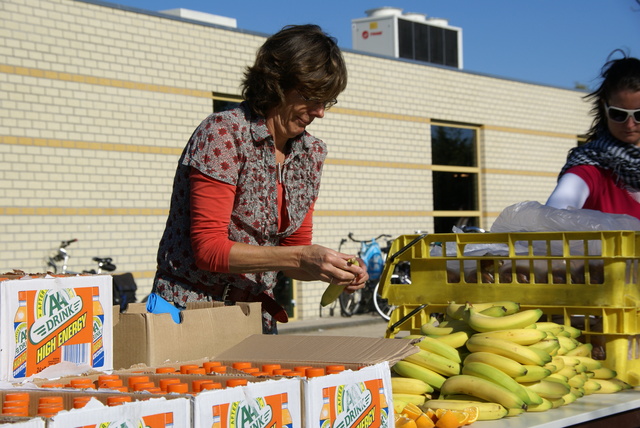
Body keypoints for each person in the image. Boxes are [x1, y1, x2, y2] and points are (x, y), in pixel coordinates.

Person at [152, 24, 368, 334]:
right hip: (187, 312)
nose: (320, 112)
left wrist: (333, 268)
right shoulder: (223, 133)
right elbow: (208, 249)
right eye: (311, 96)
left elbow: (295, 254)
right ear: (277, 83)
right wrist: (301, 256)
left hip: (254, 317)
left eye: (328, 100)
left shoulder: (310, 153)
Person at [546, 51, 640, 219]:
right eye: (619, 114)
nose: (629, 124)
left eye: (639, 115)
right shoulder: (590, 165)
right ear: (604, 107)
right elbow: (556, 213)